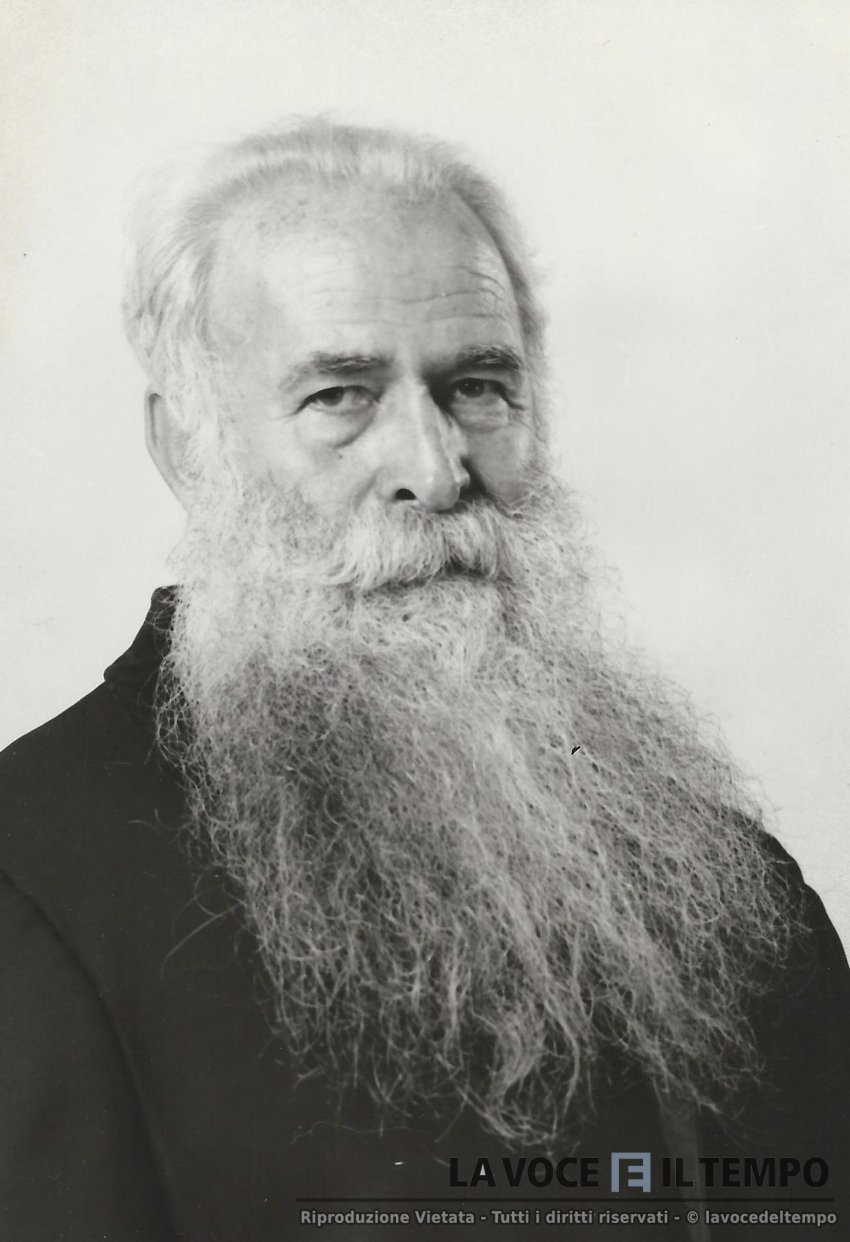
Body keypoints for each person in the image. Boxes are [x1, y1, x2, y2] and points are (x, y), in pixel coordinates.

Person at [1, 119, 847, 1242]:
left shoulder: (726, 879)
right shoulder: (32, 884)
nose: (437, 471)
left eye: (478, 386)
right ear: (186, 449)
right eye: (339, 396)